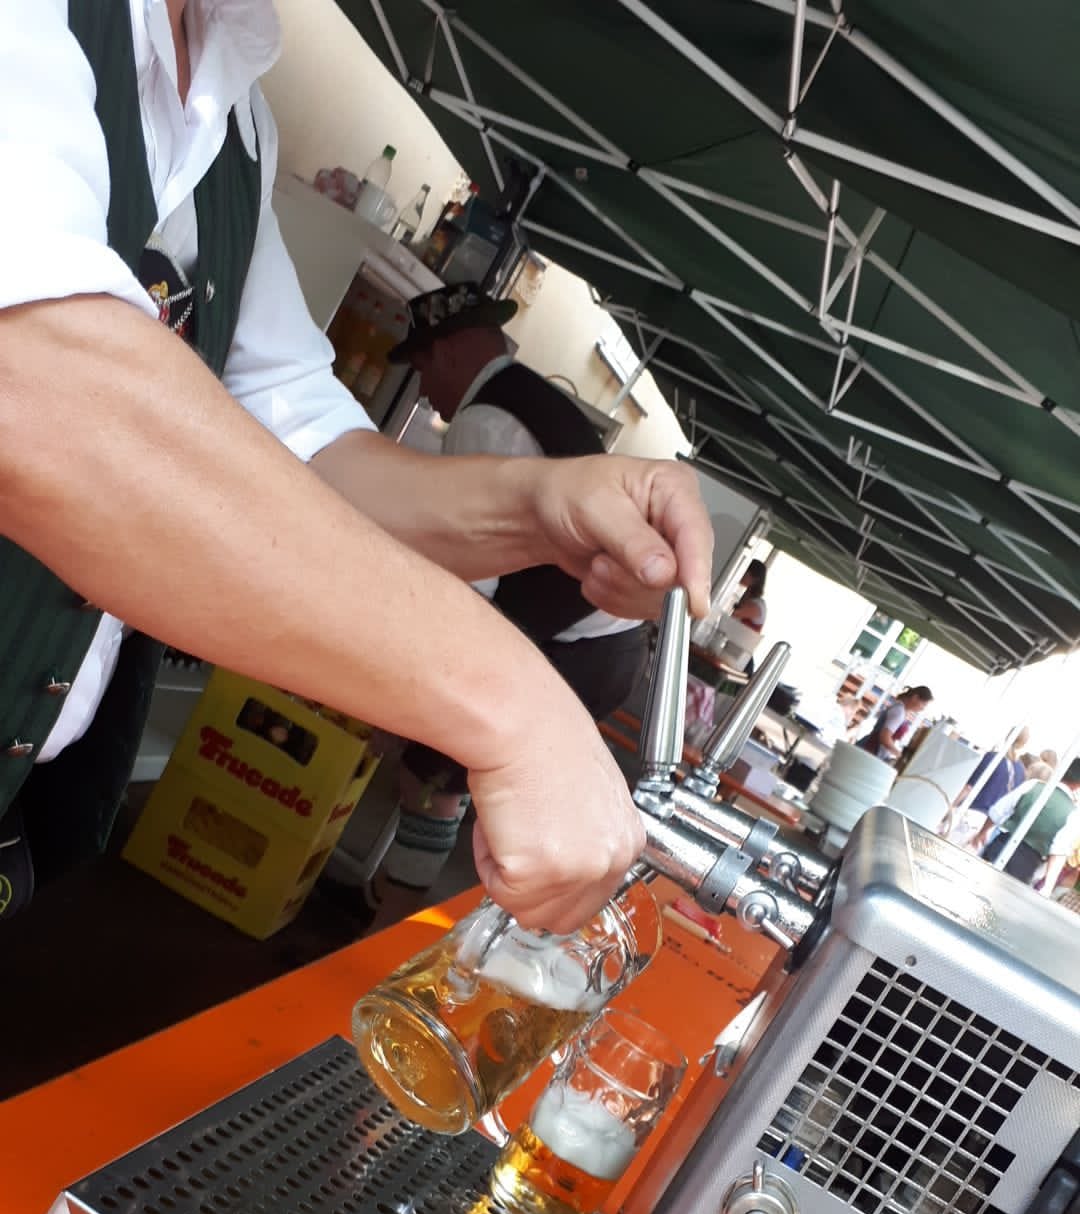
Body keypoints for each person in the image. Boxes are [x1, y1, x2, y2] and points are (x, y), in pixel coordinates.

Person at [0, 0, 713, 938]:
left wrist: (542, 504)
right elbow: (37, 385)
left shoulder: (240, 121)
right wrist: (503, 693)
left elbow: (307, 444)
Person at [334, 282, 656, 901]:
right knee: (458, 768)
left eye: (422, 367)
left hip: (574, 649)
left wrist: (407, 691)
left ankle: (396, 913)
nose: (423, 389)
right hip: (607, 648)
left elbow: (471, 586)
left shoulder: (485, 421)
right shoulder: (534, 402)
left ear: (450, 350)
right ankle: (395, 894)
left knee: (431, 771)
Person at [981, 759, 1080, 892]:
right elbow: (1058, 851)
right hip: (1026, 864)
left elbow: (997, 812)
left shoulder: (1033, 785)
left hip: (999, 846)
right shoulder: (1072, 812)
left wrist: (981, 833)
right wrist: (1048, 885)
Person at [857, 685, 934, 762]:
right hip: (868, 752)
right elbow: (884, 737)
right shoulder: (899, 711)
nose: (923, 708)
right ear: (915, 697)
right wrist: (899, 755)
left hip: (870, 752)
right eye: (923, 704)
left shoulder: (900, 709)